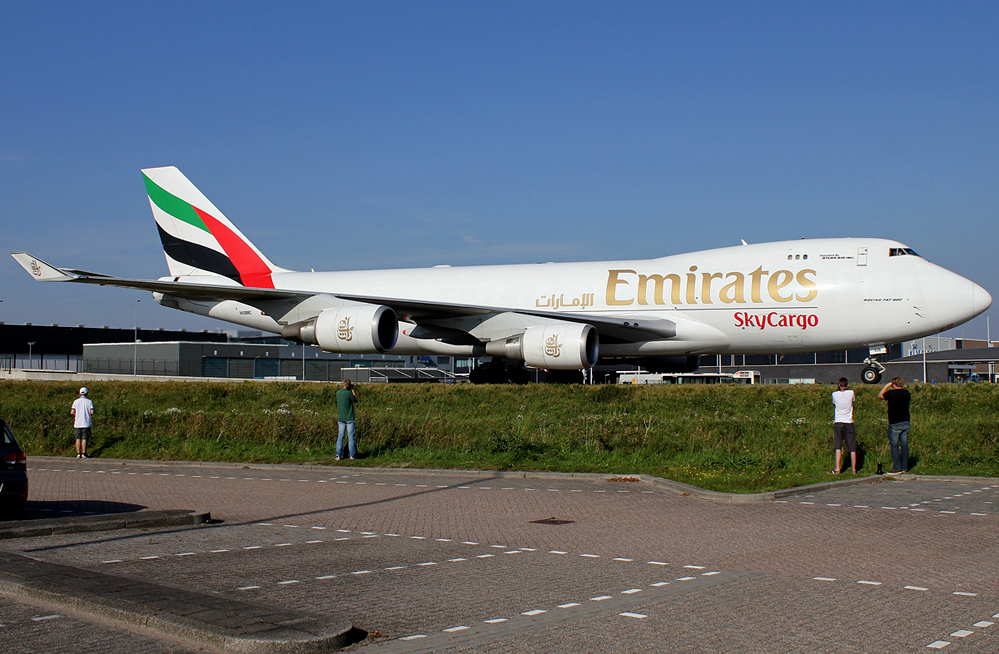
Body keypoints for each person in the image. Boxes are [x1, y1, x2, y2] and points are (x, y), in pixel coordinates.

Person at [878, 376, 911, 474]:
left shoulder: (891, 394)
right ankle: (905, 466)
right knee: (904, 444)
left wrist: (886, 386)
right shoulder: (907, 393)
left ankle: (897, 467)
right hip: (906, 421)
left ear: (894, 384)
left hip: (894, 422)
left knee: (894, 445)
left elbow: (880, 395)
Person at [830, 377, 857, 474]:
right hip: (849, 421)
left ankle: (838, 468)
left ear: (839, 385)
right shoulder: (851, 393)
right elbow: (853, 401)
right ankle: (854, 468)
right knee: (852, 446)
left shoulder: (835, 394)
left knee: (838, 445)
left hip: (838, 421)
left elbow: (834, 403)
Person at [336, 379, 358, 461]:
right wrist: (352, 390)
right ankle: (352, 455)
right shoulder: (349, 393)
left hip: (341, 418)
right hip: (349, 417)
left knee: (340, 436)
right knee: (351, 437)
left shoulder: (338, 393)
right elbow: (355, 399)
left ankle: (338, 455)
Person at [70, 387, 94, 458]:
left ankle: (78, 453)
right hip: (86, 423)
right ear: (87, 393)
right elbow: (92, 412)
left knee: (78, 438)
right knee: (85, 438)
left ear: (79, 393)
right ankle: (84, 453)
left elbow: (72, 412)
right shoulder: (89, 401)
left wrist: (77, 414)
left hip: (77, 423)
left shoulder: (76, 401)